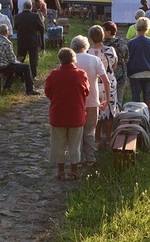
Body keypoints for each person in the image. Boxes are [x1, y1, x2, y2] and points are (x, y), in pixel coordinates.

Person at [44, 47, 89, 181]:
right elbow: (86, 92)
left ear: (60, 59)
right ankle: (74, 171)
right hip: (76, 114)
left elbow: (47, 92)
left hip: (58, 114)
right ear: (73, 59)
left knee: (58, 143)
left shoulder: (54, 74)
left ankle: (61, 171)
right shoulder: (81, 74)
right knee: (75, 145)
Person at [71, 35, 109, 167]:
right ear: (86, 46)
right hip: (92, 100)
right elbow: (106, 80)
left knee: (77, 131)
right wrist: (107, 99)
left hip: (75, 102)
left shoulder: (70, 60)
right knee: (90, 130)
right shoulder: (94, 59)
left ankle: (79, 158)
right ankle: (90, 158)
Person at [87, 25, 118, 146]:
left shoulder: (88, 52)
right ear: (103, 35)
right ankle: (109, 139)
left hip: (95, 83)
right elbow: (114, 66)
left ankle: (97, 139)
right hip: (109, 82)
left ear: (90, 38)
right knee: (109, 111)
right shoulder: (110, 50)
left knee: (96, 112)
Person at [0, 23, 40, 95]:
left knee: (14, 67)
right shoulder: (7, 43)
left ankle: (8, 86)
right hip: (1, 66)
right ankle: (30, 89)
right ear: (6, 32)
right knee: (26, 67)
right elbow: (12, 60)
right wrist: (18, 61)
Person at [126, 17, 150, 105]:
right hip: (148, 73)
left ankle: (136, 117)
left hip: (134, 74)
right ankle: (147, 116)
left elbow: (127, 59)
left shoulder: (130, 43)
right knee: (148, 97)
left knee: (135, 98)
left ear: (136, 28)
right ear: (147, 28)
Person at [14, 1, 45, 80]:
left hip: (22, 39)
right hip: (33, 40)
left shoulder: (18, 16)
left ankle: (19, 75)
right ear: (31, 7)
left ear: (24, 7)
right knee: (33, 60)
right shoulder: (35, 16)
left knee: (20, 58)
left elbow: (16, 27)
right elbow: (41, 27)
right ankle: (33, 76)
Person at [102, 21, 129, 107]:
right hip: (121, 75)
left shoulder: (102, 45)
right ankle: (118, 118)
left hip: (107, 76)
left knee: (106, 101)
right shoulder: (123, 43)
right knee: (119, 101)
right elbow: (127, 59)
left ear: (108, 32)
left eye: (103, 31)